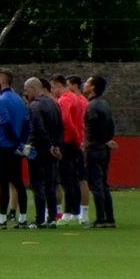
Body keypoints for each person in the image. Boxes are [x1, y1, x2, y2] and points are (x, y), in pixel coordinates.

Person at [22, 77, 63, 228]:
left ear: (33, 89)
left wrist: (47, 145)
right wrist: (56, 145)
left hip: (37, 149)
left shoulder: (34, 105)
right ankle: (52, 218)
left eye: (26, 90)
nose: (26, 93)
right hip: (51, 151)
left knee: (38, 185)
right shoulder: (54, 103)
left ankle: (40, 219)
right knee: (50, 184)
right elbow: (60, 127)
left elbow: (37, 129)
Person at [0, 68, 30, 229]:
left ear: (2, 80)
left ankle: (2, 219)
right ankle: (22, 218)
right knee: (18, 182)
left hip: (5, 145)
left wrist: (16, 142)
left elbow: (5, 123)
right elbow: (26, 123)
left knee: (3, 182)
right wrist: (22, 143)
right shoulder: (20, 99)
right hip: (17, 147)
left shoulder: (1, 100)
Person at [83, 75, 117, 228]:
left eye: (88, 82)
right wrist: (108, 140)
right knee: (103, 183)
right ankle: (110, 218)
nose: (84, 84)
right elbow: (111, 125)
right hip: (104, 149)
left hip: (94, 148)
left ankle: (100, 218)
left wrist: (101, 140)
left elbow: (95, 127)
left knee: (96, 183)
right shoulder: (105, 104)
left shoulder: (92, 106)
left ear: (93, 87)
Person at [51, 74, 85, 227]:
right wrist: (78, 139)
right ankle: (76, 213)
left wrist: (73, 137)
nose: (53, 91)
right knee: (74, 179)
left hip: (66, 142)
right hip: (74, 143)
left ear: (58, 85)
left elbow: (65, 120)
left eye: (53, 87)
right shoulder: (76, 98)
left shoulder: (64, 99)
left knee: (66, 179)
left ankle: (67, 213)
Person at [68, 75, 90, 224]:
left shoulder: (78, 101)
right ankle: (79, 212)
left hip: (77, 143)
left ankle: (81, 213)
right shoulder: (83, 101)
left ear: (75, 85)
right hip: (80, 142)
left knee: (80, 178)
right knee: (77, 179)